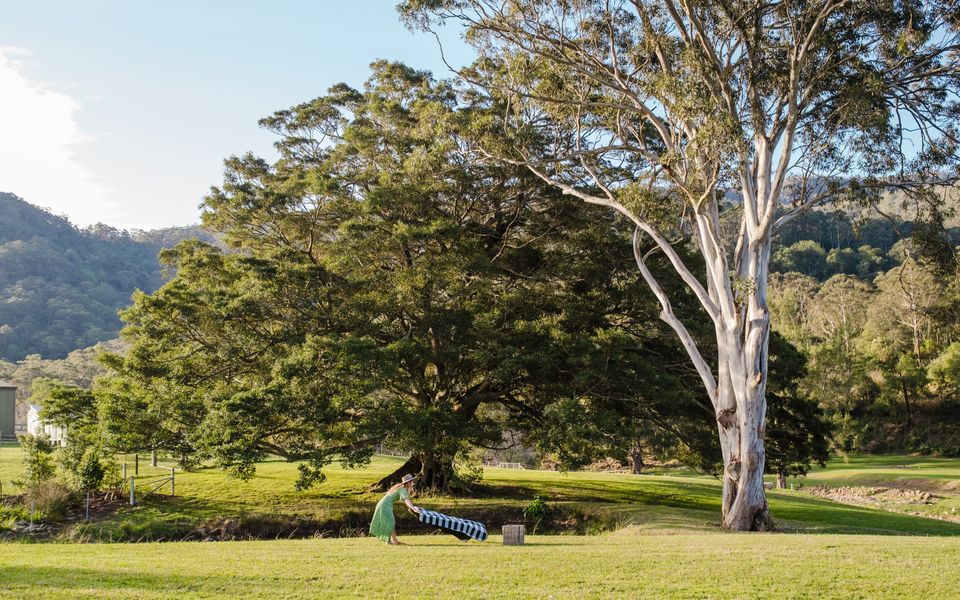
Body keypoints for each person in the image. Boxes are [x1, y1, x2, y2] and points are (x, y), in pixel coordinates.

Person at [369, 473, 420, 545]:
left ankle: (394, 540)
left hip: (383, 504)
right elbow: (406, 500)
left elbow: (404, 501)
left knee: (391, 522)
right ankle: (390, 541)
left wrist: (412, 507)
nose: (412, 483)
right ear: (408, 482)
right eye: (411, 481)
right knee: (391, 521)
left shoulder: (400, 488)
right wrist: (413, 509)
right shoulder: (402, 489)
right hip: (385, 505)